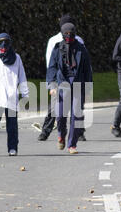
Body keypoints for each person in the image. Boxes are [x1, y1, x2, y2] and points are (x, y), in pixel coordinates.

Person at [38, 14, 87, 142]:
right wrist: (52, 82)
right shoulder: (54, 41)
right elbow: (51, 62)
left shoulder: (79, 41)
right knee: (55, 108)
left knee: (77, 108)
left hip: (75, 79)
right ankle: (46, 130)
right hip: (60, 78)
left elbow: (84, 61)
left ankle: (79, 132)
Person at [46, 22, 92, 154]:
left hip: (78, 84)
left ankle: (72, 145)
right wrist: (52, 85)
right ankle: (61, 135)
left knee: (76, 116)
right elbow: (52, 68)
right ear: (62, 34)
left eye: (71, 33)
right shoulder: (57, 48)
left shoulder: (82, 49)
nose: (68, 36)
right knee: (60, 114)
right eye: (66, 33)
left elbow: (87, 70)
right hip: (62, 83)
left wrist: (88, 89)